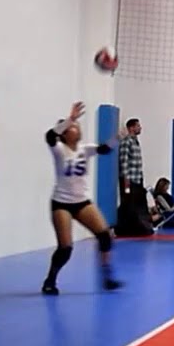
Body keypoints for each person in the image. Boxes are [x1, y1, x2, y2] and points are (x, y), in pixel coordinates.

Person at [43, 101, 123, 295]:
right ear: (65, 133)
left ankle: (106, 277)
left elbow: (104, 149)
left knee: (105, 235)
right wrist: (70, 119)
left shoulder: (84, 149)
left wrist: (118, 137)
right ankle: (50, 280)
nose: (77, 129)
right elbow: (49, 136)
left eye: (78, 126)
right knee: (65, 248)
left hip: (81, 201)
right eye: (73, 127)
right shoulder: (59, 149)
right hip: (61, 203)